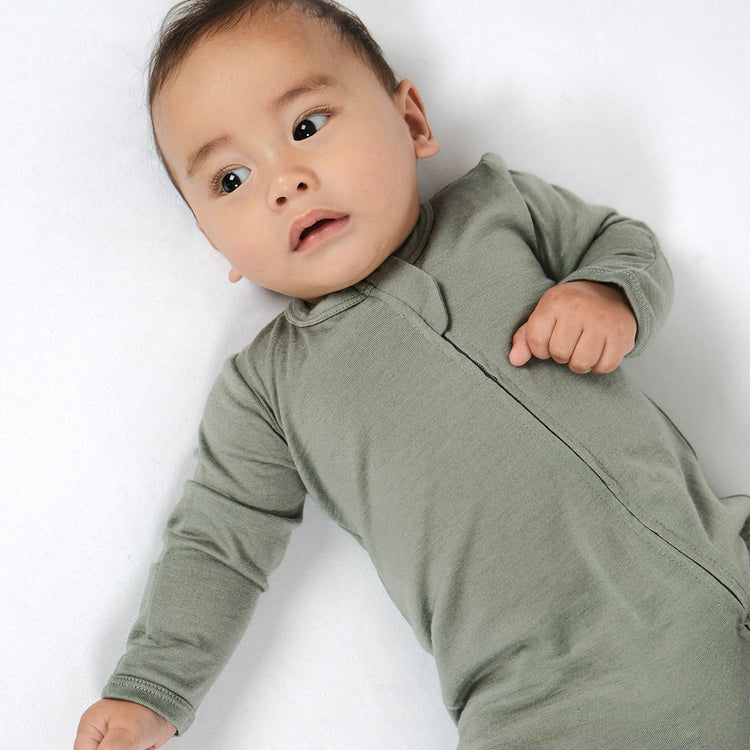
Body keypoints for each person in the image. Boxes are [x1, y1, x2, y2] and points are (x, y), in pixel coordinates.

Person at [74, 0, 750, 748]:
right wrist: (150, 687)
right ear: (217, 246)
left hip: (722, 565)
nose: (283, 182)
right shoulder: (268, 391)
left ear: (413, 121)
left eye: (306, 126)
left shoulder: (498, 208)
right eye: (231, 179)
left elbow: (622, 242)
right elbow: (217, 545)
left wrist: (608, 294)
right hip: (544, 703)